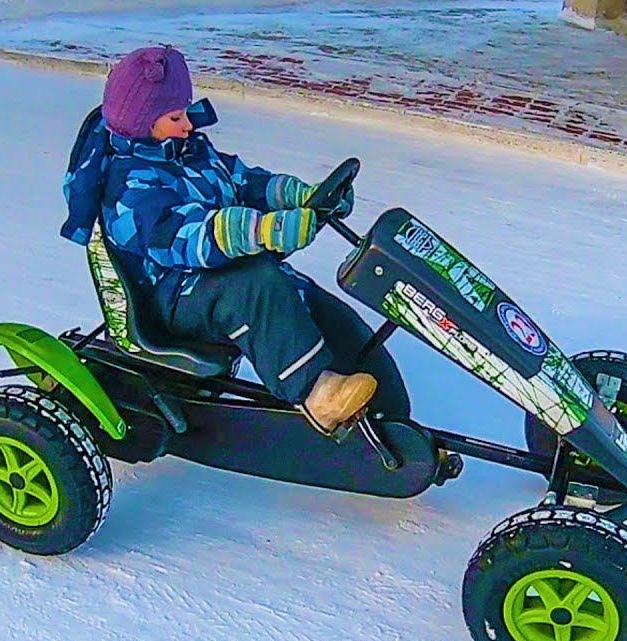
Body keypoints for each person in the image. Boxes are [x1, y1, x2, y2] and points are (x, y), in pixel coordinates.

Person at [61, 45, 406, 435]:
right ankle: (318, 395)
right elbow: (182, 239)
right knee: (257, 290)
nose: (188, 124)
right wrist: (259, 230)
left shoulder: (189, 150)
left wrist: (298, 196)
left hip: (214, 278)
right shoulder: (129, 186)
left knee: (309, 299)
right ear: (141, 122)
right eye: (176, 117)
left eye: (186, 113)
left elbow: (242, 180)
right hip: (171, 295)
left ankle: (391, 413)